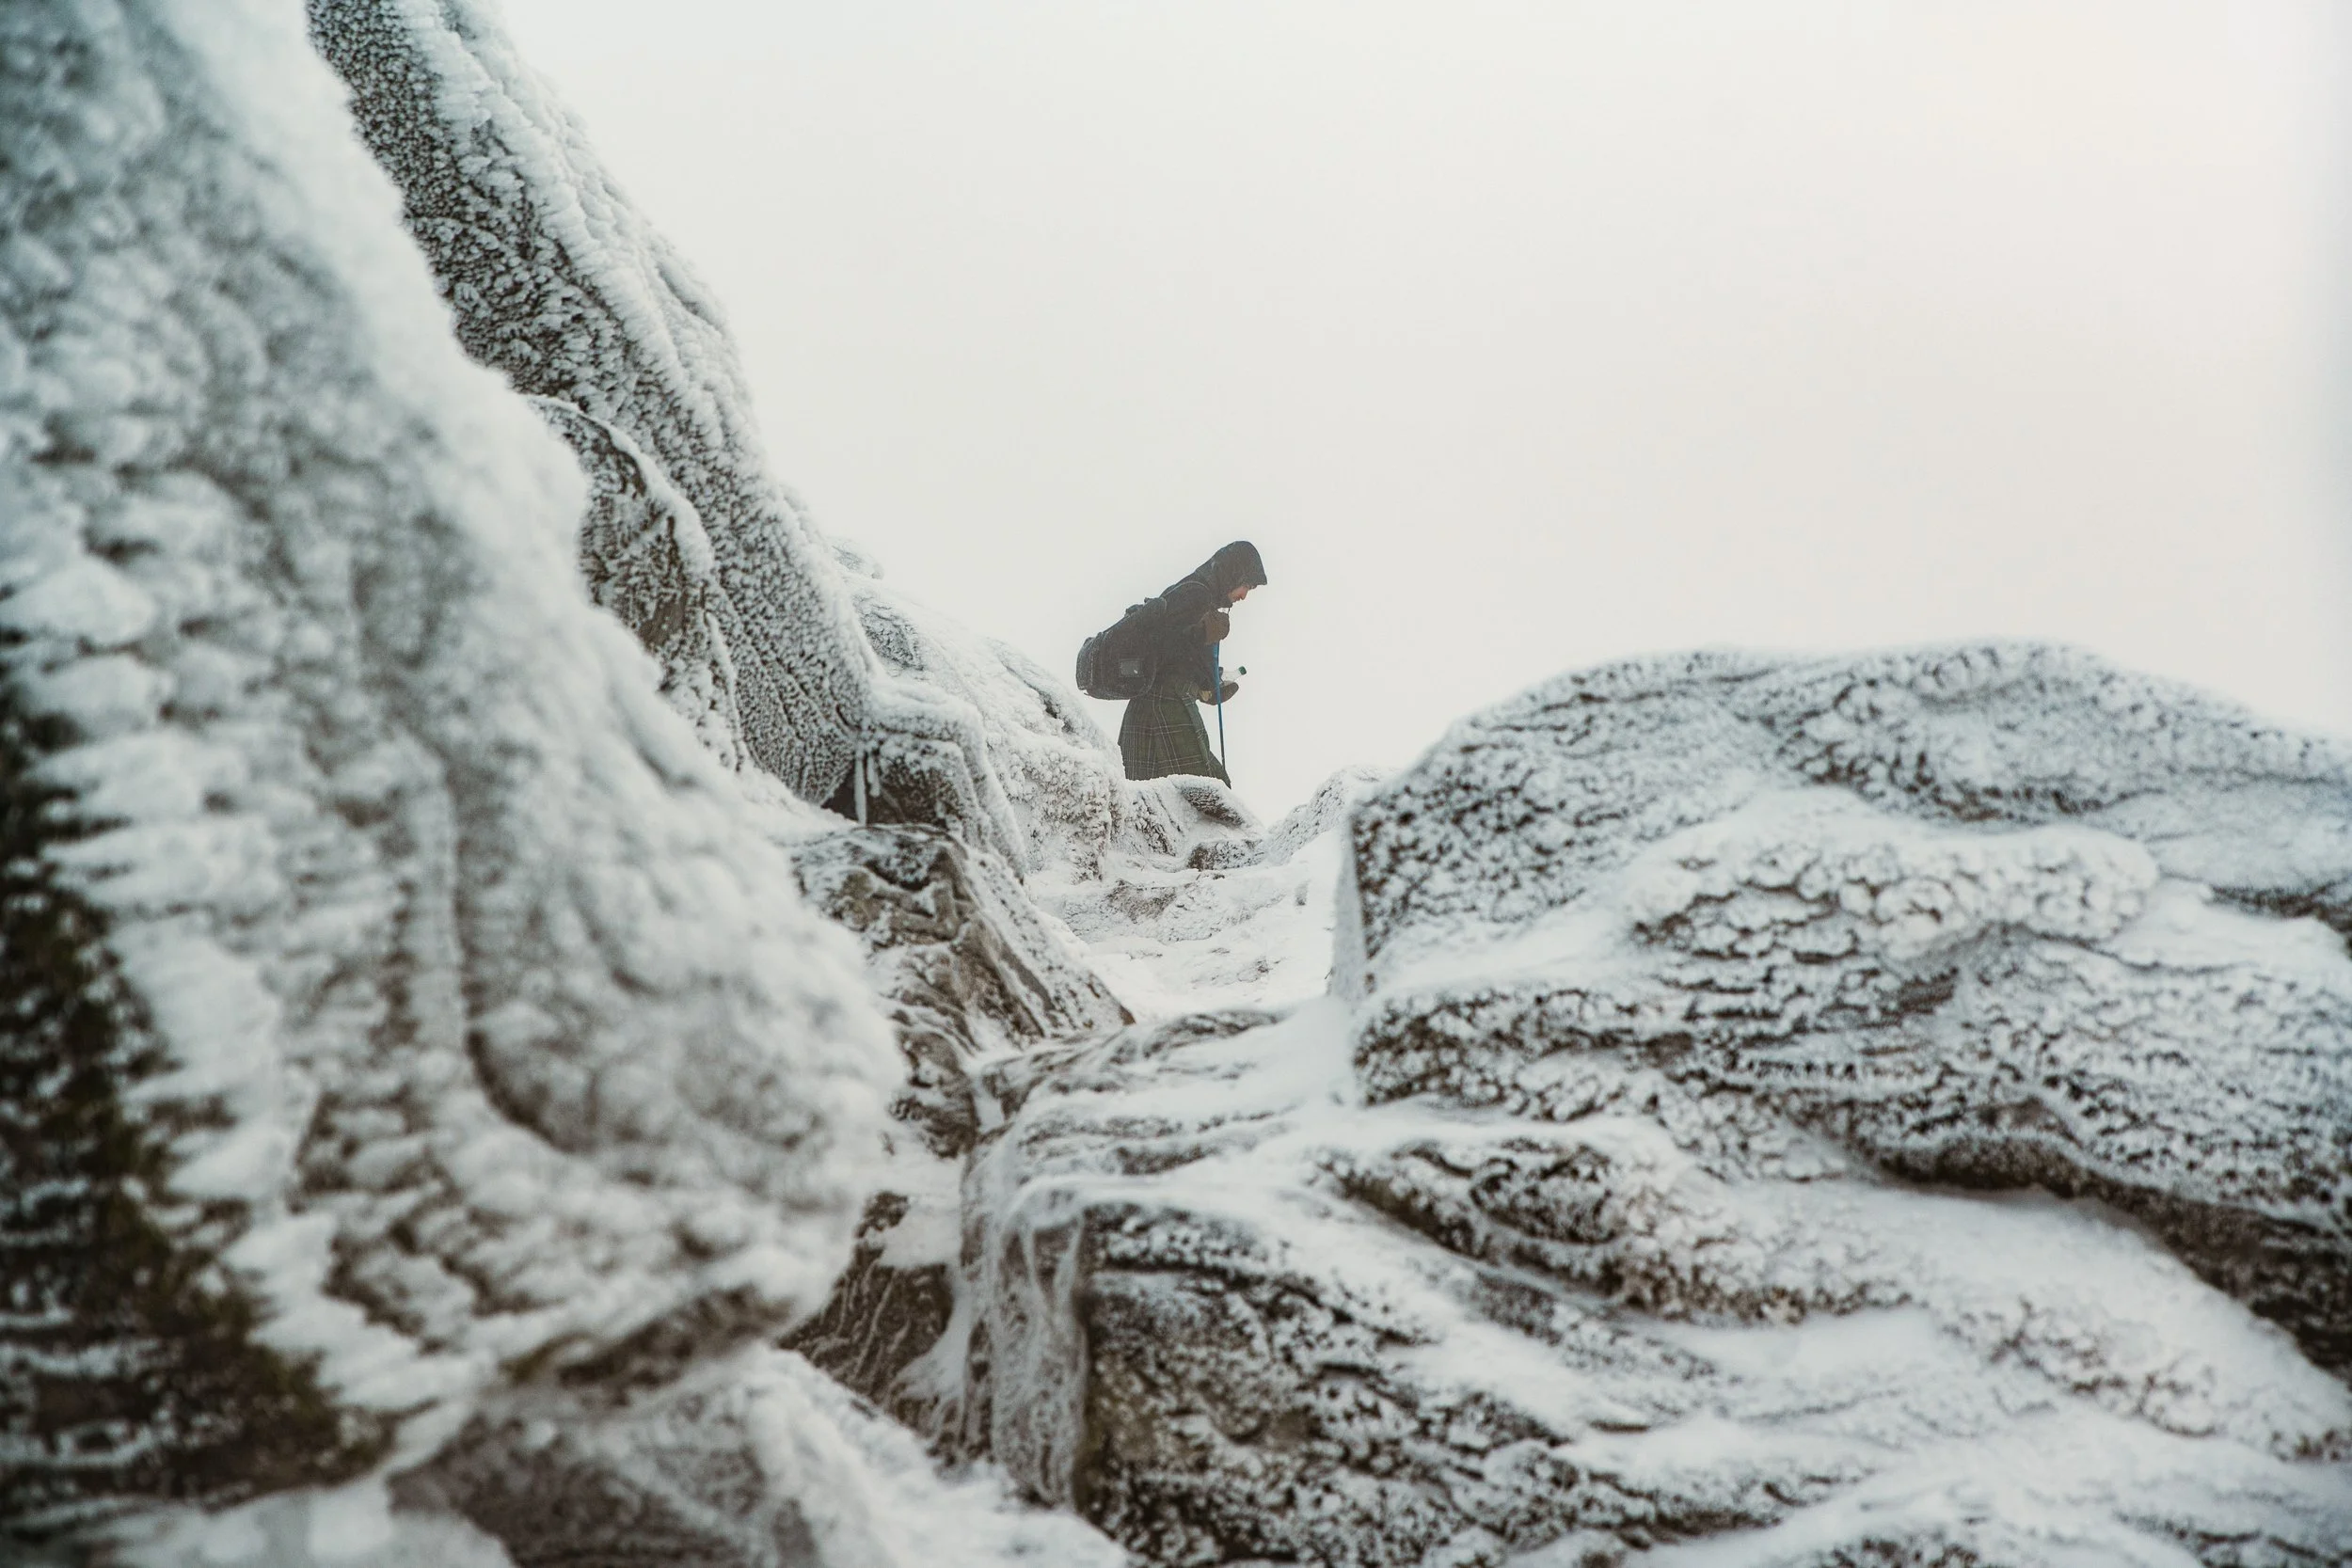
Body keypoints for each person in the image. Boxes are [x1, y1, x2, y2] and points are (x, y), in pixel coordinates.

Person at [1117, 541, 1266, 784]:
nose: (1244, 596)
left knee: (1142, 796)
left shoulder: (1199, 596)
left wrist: (1210, 683)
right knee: (1211, 790)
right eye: (1246, 586)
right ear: (1233, 575)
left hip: (1148, 706)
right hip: (1166, 702)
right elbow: (1160, 645)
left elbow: (1181, 658)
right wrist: (1202, 633)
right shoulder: (1197, 594)